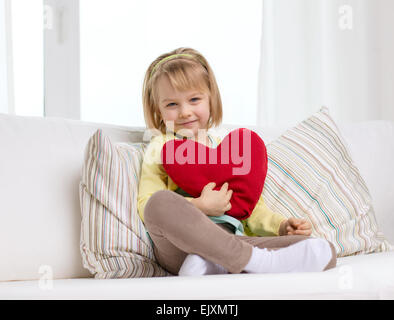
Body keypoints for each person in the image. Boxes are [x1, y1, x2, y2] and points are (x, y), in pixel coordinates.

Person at [137, 47, 336, 276]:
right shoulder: (160, 146)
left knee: (322, 250)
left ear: (211, 100)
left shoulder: (231, 149)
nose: (184, 112)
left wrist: (281, 226)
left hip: (232, 238)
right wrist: (200, 206)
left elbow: (251, 207)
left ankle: (216, 263)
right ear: (158, 109)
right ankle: (252, 261)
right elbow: (145, 205)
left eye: (194, 99)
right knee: (158, 203)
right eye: (172, 104)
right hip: (180, 249)